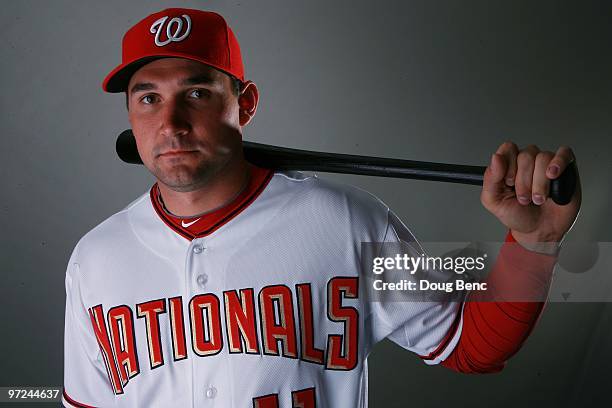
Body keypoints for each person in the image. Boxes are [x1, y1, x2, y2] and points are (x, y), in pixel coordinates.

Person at [62, 8, 581, 408]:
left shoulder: (346, 221)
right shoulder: (95, 257)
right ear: (130, 115)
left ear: (245, 104)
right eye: (148, 98)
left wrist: (535, 244)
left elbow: (471, 344)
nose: (171, 123)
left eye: (196, 93)